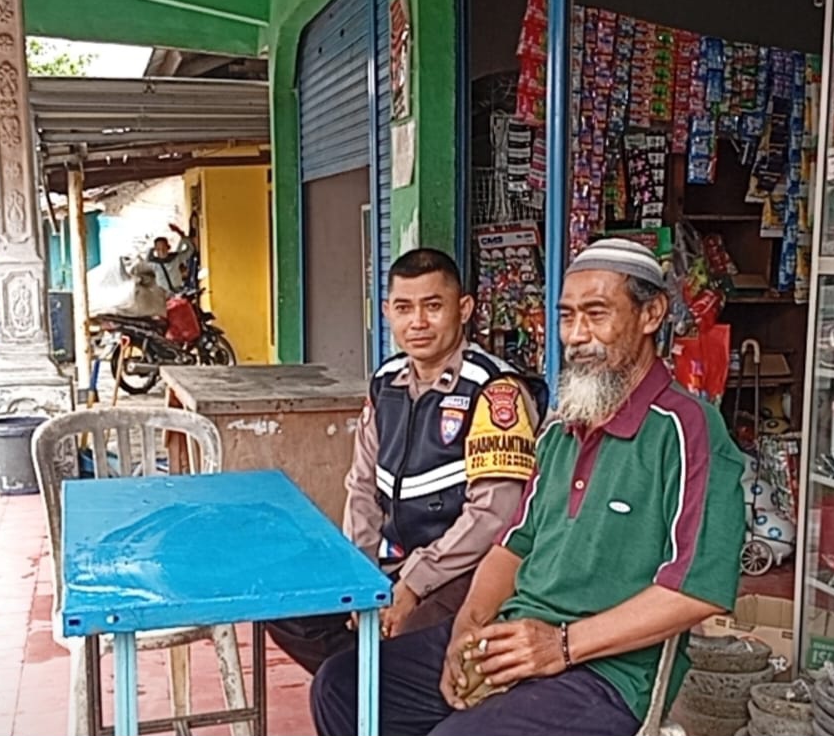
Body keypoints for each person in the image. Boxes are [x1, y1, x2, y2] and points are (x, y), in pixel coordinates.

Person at [310, 238, 745, 736]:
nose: (577, 336)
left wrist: (561, 645)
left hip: (606, 673)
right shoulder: (562, 430)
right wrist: (466, 631)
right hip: (514, 639)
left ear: (651, 314)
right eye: (567, 317)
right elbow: (512, 547)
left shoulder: (687, 429)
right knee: (343, 685)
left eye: (596, 315)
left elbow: (697, 591)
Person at [267, 248, 547, 675]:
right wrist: (360, 579)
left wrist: (414, 583)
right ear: (387, 312)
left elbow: (494, 515)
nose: (417, 322)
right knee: (290, 608)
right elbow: (362, 487)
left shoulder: (493, 390)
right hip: (391, 562)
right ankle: (364, 692)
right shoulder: (386, 383)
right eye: (403, 308)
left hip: (463, 569)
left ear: (464, 309)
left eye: (433, 306)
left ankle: (376, 690)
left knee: (409, 642)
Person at [147, 223, 194, 294]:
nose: (162, 251)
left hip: (178, 292)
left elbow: (190, 250)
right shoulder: (153, 264)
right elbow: (146, 263)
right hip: (163, 295)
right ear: (155, 250)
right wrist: (150, 250)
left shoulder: (176, 258)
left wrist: (181, 234)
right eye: (158, 249)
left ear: (168, 247)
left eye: (163, 247)